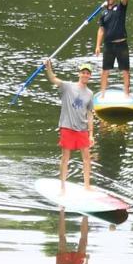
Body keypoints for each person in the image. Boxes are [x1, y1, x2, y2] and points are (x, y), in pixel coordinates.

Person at [43, 59, 95, 191]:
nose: (85, 75)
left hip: (82, 129)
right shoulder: (68, 86)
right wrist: (48, 68)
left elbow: (89, 115)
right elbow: (53, 79)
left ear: (90, 76)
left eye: (87, 73)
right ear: (79, 74)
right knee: (65, 158)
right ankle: (62, 187)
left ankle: (87, 186)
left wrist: (91, 134)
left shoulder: (90, 94)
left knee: (87, 159)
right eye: (83, 72)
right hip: (67, 127)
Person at [94, 0, 130, 95]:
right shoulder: (103, 14)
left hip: (121, 44)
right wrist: (97, 46)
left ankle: (126, 93)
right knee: (105, 70)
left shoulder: (120, 7)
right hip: (108, 45)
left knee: (125, 70)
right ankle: (103, 93)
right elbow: (101, 30)